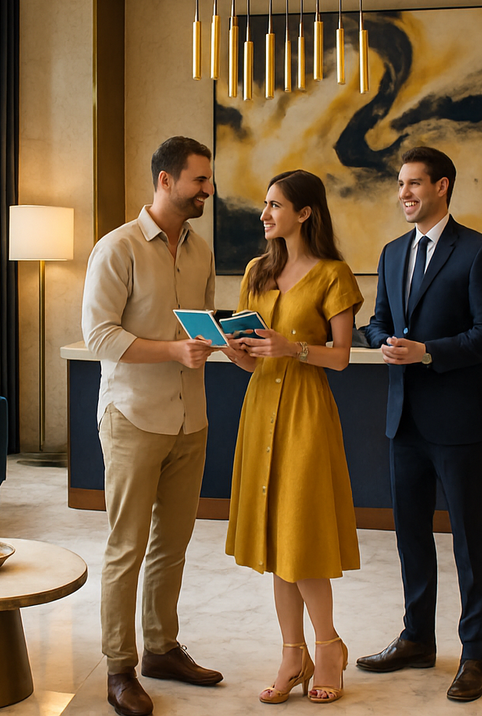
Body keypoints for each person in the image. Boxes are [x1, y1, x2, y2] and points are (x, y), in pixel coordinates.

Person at [358, 146, 482, 702]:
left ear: (442, 186)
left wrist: (427, 352)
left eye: (414, 184)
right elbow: (377, 322)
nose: (404, 193)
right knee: (410, 537)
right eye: (400, 184)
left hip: (460, 422)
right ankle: (418, 639)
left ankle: (476, 656)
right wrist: (384, 341)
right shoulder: (392, 252)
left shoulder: (478, 251)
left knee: (470, 540)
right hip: (403, 421)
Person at [81, 136, 224, 716]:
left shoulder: (202, 250)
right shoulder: (116, 248)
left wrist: (226, 342)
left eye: (208, 180)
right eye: (199, 180)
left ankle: (161, 649)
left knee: (173, 544)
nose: (208, 190)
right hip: (133, 418)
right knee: (127, 547)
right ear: (165, 180)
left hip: (192, 419)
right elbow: (99, 336)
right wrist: (172, 351)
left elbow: (201, 325)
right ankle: (120, 668)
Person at [221, 169, 364, 706]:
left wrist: (294, 348)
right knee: (276, 539)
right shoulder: (256, 271)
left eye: (275, 205)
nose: (264, 214)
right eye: (265, 204)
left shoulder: (333, 275)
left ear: (305, 213)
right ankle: (291, 654)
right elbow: (250, 360)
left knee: (300, 537)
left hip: (306, 412)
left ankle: (327, 649)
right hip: (260, 407)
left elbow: (342, 358)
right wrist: (232, 350)